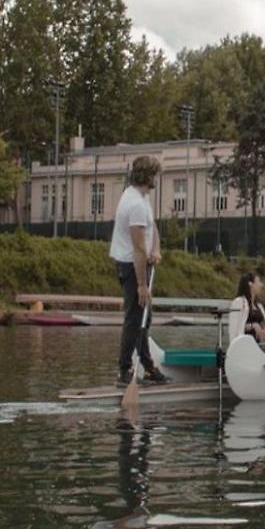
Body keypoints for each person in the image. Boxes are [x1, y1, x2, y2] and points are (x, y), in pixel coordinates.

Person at [110, 155, 171, 389]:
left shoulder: (141, 197)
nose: (158, 179)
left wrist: (156, 247)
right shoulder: (134, 203)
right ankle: (125, 370)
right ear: (148, 176)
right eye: (156, 175)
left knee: (145, 317)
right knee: (134, 319)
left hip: (141, 262)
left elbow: (151, 227)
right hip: (131, 265)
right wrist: (142, 285)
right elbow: (137, 249)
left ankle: (148, 367)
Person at [229, 272, 265, 343]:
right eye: (258, 282)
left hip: (260, 338)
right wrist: (252, 325)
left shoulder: (259, 306)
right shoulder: (239, 302)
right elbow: (235, 328)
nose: (262, 285)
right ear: (250, 284)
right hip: (247, 340)